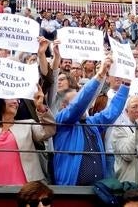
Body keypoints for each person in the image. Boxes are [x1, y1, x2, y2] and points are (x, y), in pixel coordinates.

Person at [53, 56, 130, 186]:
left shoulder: (91, 123)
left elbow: (112, 112)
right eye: (75, 100)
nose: (84, 103)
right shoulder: (62, 121)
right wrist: (100, 75)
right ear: (64, 106)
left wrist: (126, 85)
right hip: (71, 189)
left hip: (96, 190)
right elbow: (80, 103)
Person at [0, 84, 56, 185]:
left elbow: (49, 130)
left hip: (25, 189)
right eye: (11, 98)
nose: (16, 102)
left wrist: (40, 107)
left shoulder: (28, 124)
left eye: (18, 100)